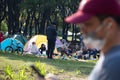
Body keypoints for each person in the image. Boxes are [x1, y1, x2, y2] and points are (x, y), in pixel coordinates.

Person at [65, 0, 120, 80]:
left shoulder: (115, 62)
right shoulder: (109, 55)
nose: (82, 31)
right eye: (81, 25)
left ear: (109, 24)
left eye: (88, 24)